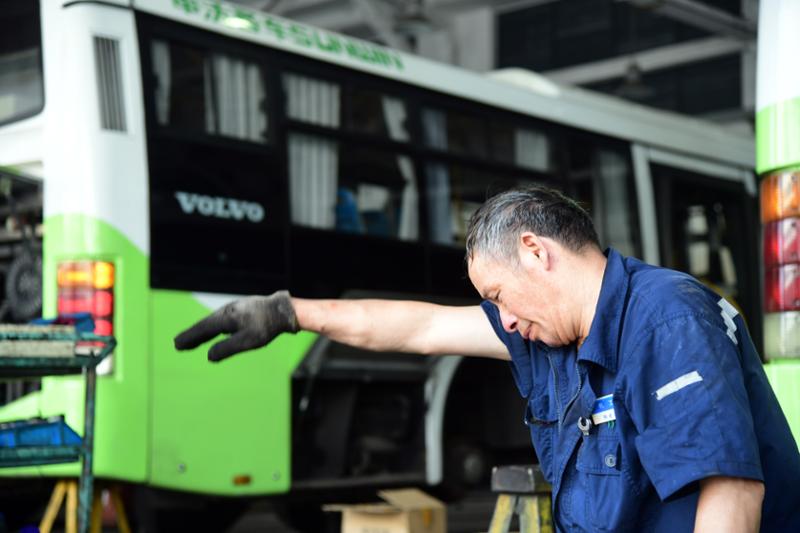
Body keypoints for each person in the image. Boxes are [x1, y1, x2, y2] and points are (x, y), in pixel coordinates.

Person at [174, 186, 800, 532]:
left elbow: (732, 497)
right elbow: (420, 327)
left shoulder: (667, 318)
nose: (504, 320)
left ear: (536, 251)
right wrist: (289, 313)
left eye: (498, 295)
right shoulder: (551, 335)